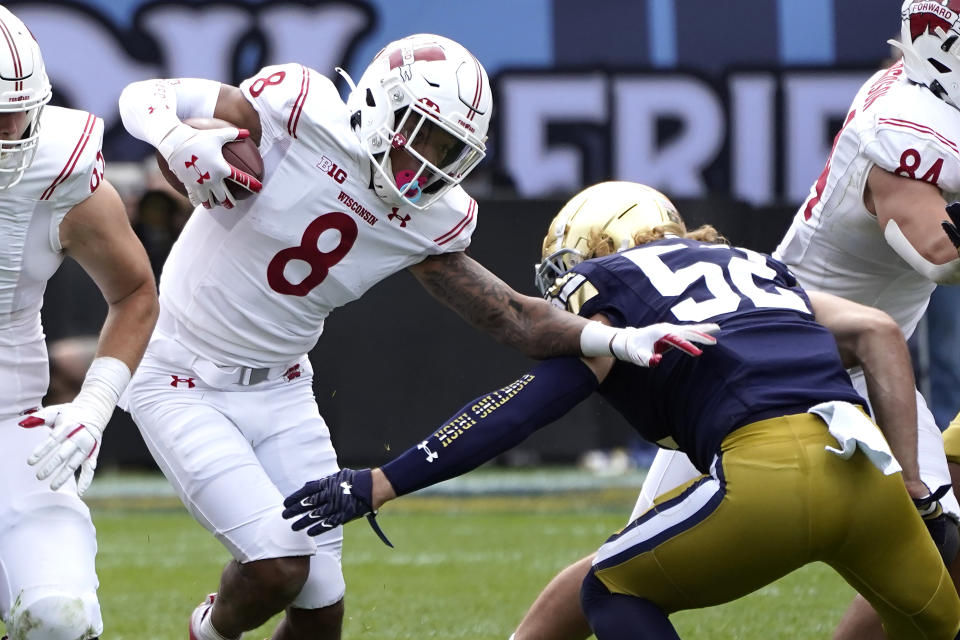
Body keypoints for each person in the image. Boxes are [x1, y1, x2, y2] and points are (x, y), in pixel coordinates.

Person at [116, 35, 717, 640]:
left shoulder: (433, 216)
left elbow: (513, 318)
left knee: (321, 606)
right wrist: (176, 137)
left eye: (449, 147)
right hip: (179, 375)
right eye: (421, 131)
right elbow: (145, 95)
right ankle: (208, 632)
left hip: (282, 387)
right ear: (380, 100)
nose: (429, 159)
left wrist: (616, 339)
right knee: (277, 568)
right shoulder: (300, 109)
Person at [283, 180, 960, 640]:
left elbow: (525, 405)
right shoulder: (754, 265)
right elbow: (876, 330)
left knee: (608, 590)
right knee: (938, 625)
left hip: (771, 476)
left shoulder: (613, 284)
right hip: (870, 479)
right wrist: (914, 483)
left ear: (602, 251)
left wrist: (383, 480)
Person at [0, 6, 159, 640]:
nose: (12, 131)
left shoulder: (56, 174)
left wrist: (93, 407)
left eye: (18, 110)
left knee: (58, 617)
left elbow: (136, 294)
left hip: (10, 428)